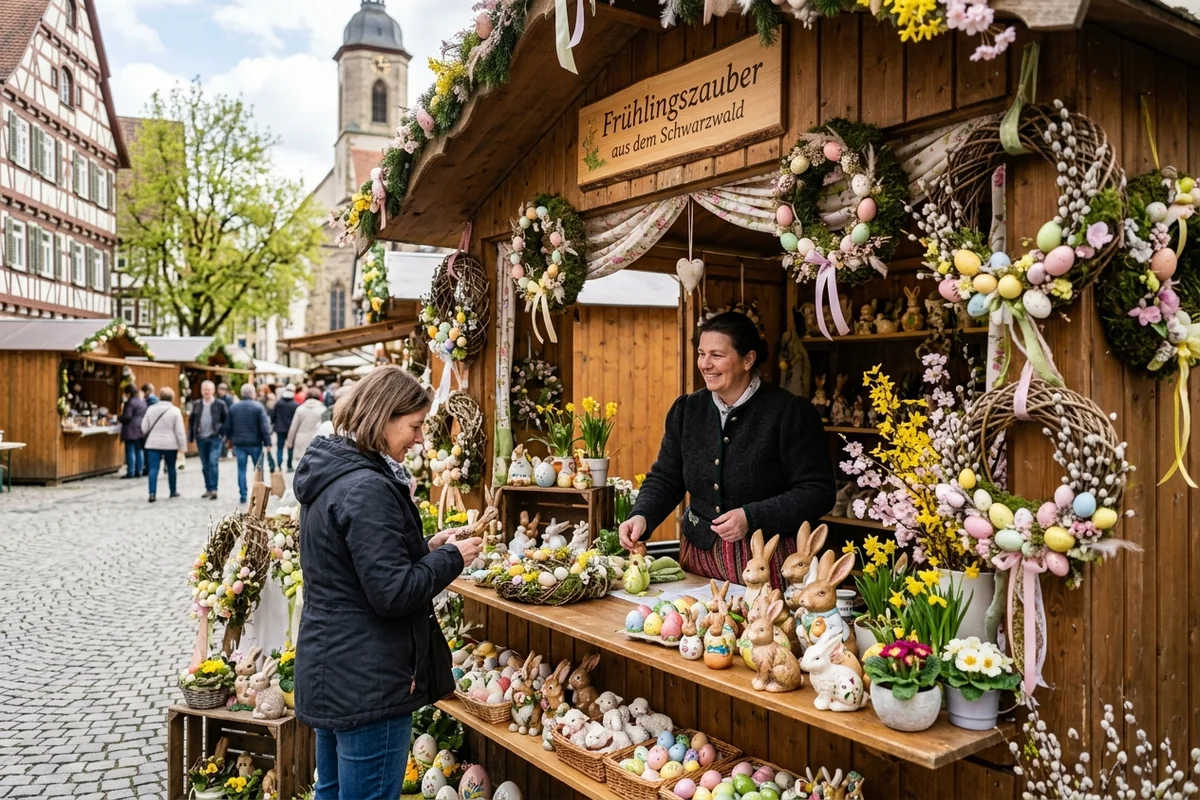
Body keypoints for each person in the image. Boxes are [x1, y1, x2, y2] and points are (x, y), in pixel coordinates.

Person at [293, 365, 482, 800]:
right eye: (414, 426)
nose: (418, 439)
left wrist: (426, 546)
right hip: (367, 679)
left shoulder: (336, 474)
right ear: (383, 417)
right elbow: (392, 593)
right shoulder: (366, 487)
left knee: (333, 792)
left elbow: (355, 564)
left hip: (335, 667)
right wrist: (452, 558)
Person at [619, 312, 836, 586]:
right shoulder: (687, 410)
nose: (705, 364)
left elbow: (818, 492)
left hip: (767, 561)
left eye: (717, 355)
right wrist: (642, 515)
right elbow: (666, 477)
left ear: (748, 359)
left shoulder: (788, 412)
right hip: (698, 557)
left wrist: (752, 516)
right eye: (701, 354)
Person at [228, 383, 272, 504]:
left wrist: (229, 440)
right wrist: (268, 442)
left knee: (241, 469)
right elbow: (264, 427)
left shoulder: (233, 408)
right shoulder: (258, 407)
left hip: (239, 443)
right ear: (253, 393)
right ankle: (259, 495)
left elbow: (229, 426)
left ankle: (243, 495)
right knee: (258, 469)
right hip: (255, 443)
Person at [140, 387, 186, 503]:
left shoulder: (151, 409)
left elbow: (144, 427)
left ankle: (152, 493)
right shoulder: (175, 411)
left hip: (153, 443)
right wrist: (182, 447)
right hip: (170, 444)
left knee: (153, 469)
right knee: (171, 468)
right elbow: (179, 431)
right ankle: (173, 491)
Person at [188, 380, 229, 500]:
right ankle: (208, 488)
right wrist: (191, 437)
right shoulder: (197, 404)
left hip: (215, 438)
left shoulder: (220, 404)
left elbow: (226, 420)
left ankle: (214, 489)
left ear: (213, 391)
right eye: (204, 389)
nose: (206, 392)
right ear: (201, 391)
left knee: (213, 463)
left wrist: (223, 434)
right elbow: (192, 422)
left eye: (208, 389)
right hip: (201, 438)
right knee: (205, 465)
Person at [287, 388, 327, 463]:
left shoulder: (300, 409)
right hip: (316, 440)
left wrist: (289, 442)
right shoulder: (323, 409)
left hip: (301, 439)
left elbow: (293, 427)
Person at [118, 385, 147, 479]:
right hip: (140, 428)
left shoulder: (130, 403)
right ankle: (139, 470)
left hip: (130, 429)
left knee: (130, 451)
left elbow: (127, 416)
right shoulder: (142, 402)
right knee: (139, 450)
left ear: (128, 393)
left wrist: (119, 418)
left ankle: (131, 472)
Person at [271, 386, 299, 472]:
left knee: (280, 447)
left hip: (280, 428)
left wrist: (272, 424)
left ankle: (279, 464)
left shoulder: (278, 404)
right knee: (290, 447)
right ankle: (289, 465)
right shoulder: (295, 405)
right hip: (290, 429)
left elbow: (273, 416)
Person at [217, 383, 235, 459]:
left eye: (221, 390)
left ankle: (229, 452)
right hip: (221, 420)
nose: (220, 391)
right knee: (223, 437)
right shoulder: (219, 399)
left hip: (227, 420)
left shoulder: (228, 399)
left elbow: (230, 410)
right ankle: (223, 453)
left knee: (228, 437)